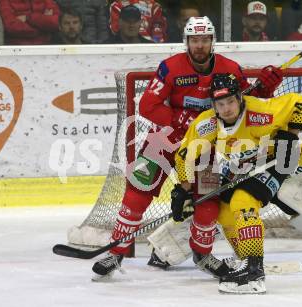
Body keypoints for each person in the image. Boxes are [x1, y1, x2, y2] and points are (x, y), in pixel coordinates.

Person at [91, 16, 283, 280]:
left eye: (205, 40)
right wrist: (176, 121)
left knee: (207, 202)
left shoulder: (230, 69)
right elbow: (148, 105)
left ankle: (203, 256)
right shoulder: (170, 68)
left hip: (205, 149)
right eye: (195, 40)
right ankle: (116, 252)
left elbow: (244, 104)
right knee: (137, 191)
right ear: (186, 42)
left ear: (212, 42)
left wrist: (266, 90)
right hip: (163, 140)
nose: (200, 45)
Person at [170, 73, 302, 294]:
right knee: (226, 212)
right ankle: (247, 257)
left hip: (276, 161)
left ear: (239, 98)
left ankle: (254, 272)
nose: (226, 108)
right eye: (220, 103)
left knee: (243, 200)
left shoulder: (261, 112)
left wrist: (291, 134)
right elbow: (184, 156)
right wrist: (184, 188)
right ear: (214, 105)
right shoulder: (207, 123)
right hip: (242, 166)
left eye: (230, 101)